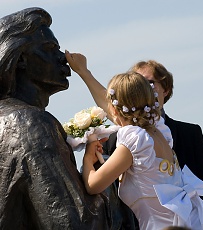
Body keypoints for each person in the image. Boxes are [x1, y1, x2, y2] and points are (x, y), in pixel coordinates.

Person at [64, 55, 203, 229]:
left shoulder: (135, 139)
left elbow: (93, 185)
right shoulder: (158, 130)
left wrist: (88, 157)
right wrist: (84, 71)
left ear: (114, 108)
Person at [0, 8, 124, 229]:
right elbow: (73, 223)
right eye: (50, 48)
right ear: (20, 58)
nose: (63, 58)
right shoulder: (29, 124)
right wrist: (110, 179)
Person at [104, 60, 203, 212]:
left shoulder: (187, 133)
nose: (143, 88)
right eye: (137, 83)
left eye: (149, 82)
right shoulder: (113, 139)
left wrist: (193, 217)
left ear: (165, 89)